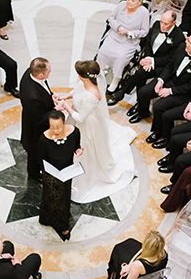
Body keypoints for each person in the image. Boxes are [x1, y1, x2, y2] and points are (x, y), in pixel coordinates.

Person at [59, 60, 137, 203]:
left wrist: (66, 107)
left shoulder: (93, 95)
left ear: (85, 77)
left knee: (87, 147)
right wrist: (66, 97)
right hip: (78, 115)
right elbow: (76, 91)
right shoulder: (84, 83)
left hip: (87, 124)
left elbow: (81, 118)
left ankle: (84, 173)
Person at [36, 110, 82, 241]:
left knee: (64, 197)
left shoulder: (75, 132)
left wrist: (78, 150)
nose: (55, 130)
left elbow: (76, 146)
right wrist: (48, 173)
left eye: (59, 127)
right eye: (52, 127)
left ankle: (61, 221)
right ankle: (61, 225)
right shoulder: (43, 139)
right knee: (53, 197)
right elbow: (40, 158)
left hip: (68, 171)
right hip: (51, 173)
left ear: (64, 123)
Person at [97, 0, 151, 93]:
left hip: (129, 41)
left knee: (121, 57)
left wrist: (131, 33)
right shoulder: (121, 5)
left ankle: (115, 80)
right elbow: (111, 18)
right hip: (115, 35)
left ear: (140, 2)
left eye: (133, 0)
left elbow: (145, 31)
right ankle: (100, 73)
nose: (129, 2)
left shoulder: (143, 12)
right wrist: (118, 27)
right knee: (103, 51)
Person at [20, 57, 58, 180]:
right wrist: (57, 109)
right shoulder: (33, 97)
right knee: (34, 152)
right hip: (34, 129)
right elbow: (40, 121)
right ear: (41, 74)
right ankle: (34, 174)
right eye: (49, 71)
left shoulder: (30, 72)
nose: (50, 72)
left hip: (35, 111)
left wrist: (51, 96)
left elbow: (44, 90)